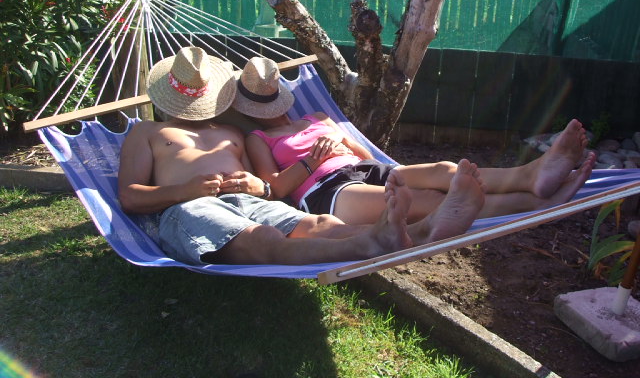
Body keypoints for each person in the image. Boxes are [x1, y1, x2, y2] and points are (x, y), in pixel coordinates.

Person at [117, 46, 486, 267]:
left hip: (246, 199)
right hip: (189, 210)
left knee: (323, 225)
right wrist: (185, 191)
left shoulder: (231, 133)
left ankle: (419, 230)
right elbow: (130, 197)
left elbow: (268, 188)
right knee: (264, 240)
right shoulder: (147, 132)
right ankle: (373, 243)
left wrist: (254, 184)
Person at [233, 57, 597, 226]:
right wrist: (311, 161)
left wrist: (346, 149)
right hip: (328, 191)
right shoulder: (258, 138)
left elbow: (362, 152)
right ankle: (538, 201)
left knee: (445, 170)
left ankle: (531, 177)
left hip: (366, 167)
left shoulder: (317, 117)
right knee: (425, 202)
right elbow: (274, 188)